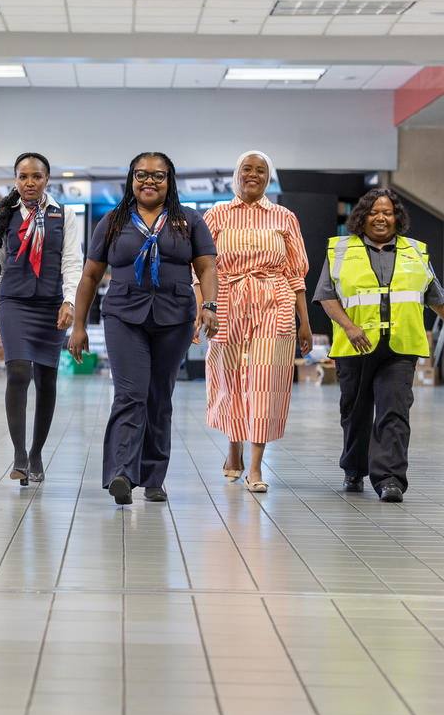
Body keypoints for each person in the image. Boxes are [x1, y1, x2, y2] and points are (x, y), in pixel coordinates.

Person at [69, 152, 218, 505]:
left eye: (158, 176)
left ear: (170, 181)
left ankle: (153, 477)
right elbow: (90, 276)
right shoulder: (112, 222)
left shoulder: (189, 221)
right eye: (142, 175)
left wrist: (209, 306)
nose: (149, 181)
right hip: (123, 316)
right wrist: (78, 325)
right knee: (130, 393)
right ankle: (122, 472)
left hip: (175, 317)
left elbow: (208, 268)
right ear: (131, 180)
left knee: (158, 397)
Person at [314, 188, 444, 503]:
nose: (381, 217)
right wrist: (349, 327)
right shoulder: (341, 249)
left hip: (400, 348)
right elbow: (326, 296)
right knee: (355, 413)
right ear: (362, 217)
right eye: (374, 212)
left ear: (397, 217)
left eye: (387, 212)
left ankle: (390, 480)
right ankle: (354, 470)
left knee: (394, 412)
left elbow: (436, 298)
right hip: (354, 346)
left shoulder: (416, 252)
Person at [198, 151, 311, 493]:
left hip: (273, 304)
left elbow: (296, 274)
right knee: (229, 376)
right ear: (236, 174)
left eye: (261, 170)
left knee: (266, 381)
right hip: (228, 303)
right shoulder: (216, 215)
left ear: (268, 177)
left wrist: (305, 323)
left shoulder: (284, 217)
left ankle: (256, 467)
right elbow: (201, 268)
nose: (253, 175)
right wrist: (203, 308)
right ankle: (234, 447)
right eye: (247, 169)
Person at [0, 152, 82, 485]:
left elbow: (72, 263)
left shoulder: (64, 215)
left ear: (47, 179)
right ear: (15, 180)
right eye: (23, 176)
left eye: (36, 177)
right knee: (18, 371)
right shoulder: (4, 215)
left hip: (50, 306)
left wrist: (70, 301)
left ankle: (37, 452)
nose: (30, 183)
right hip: (13, 303)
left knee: (47, 380)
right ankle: (19, 455)